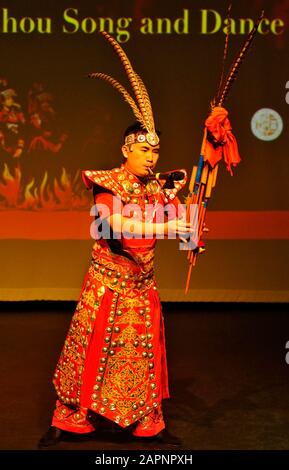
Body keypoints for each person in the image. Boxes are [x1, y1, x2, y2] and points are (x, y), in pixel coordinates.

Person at [39, 32, 193, 448]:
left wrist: (189, 234)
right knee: (89, 352)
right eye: (145, 151)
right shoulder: (107, 183)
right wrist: (165, 228)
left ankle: (149, 424)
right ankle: (69, 419)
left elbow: (178, 219)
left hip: (143, 286)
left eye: (156, 152)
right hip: (108, 283)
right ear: (126, 149)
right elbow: (113, 226)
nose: (152, 158)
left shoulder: (159, 186)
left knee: (145, 356)